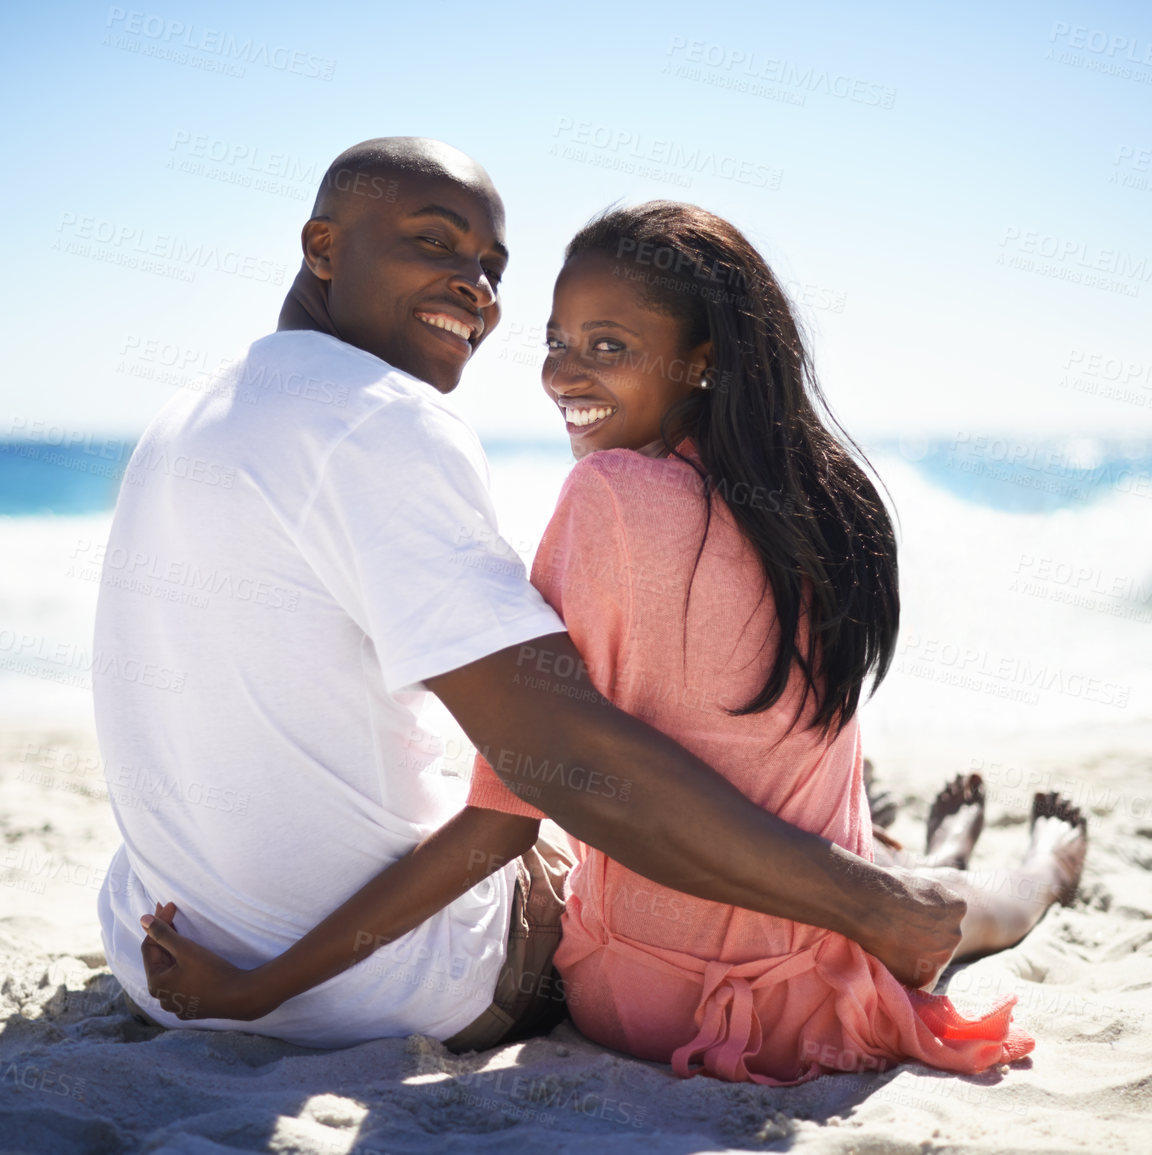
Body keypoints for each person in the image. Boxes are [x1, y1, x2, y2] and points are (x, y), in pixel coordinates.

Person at [135, 199, 1089, 1084]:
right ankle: (1029, 868)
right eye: (556, 342)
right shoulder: (821, 499)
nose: (561, 373)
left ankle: (937, 855)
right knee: (970, 901)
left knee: (596, 811)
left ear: (700, 358)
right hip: (816, 988)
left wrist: (260, 986)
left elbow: (508, 815)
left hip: (644, 1003)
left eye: (606, 344)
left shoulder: (608, 499)